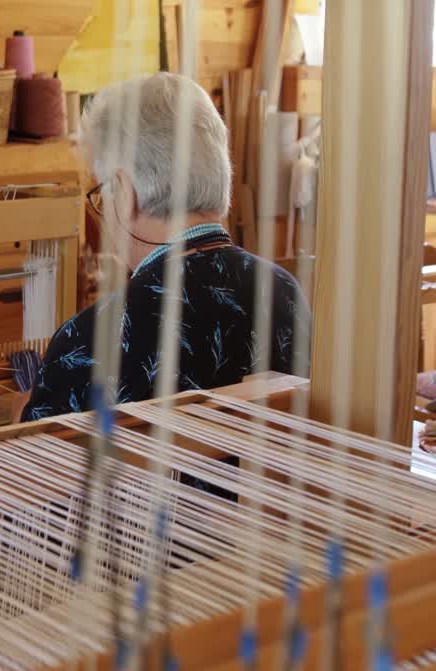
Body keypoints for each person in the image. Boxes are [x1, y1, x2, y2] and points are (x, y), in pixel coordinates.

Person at [20, 73, 310, 423]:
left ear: (125, 194)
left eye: (101, 193)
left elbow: (37, 465)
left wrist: (20, 419)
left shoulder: (88, 343)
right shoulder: (284, 292)